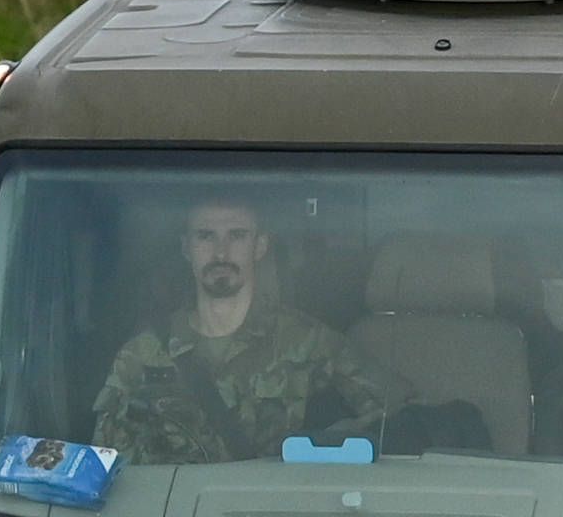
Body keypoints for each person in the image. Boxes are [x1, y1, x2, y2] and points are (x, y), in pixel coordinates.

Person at [90, 197, 395, 463]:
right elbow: (102, 463)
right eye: (206, 236)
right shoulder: (141, 355)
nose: (221, 253)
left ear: (260, 246)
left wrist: (327, 448)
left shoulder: (307, 341)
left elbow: (391, 415)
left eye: (237, 235)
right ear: (186, 247)